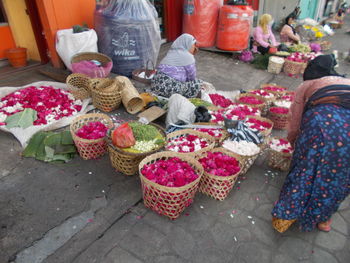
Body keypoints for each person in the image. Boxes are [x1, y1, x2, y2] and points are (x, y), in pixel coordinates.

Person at [272, 54, 350, 233]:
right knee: (342, 176)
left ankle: (287, 213)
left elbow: (296, 120)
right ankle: (324, 220)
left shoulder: (306, 85)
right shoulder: (344, 80)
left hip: (323, 124)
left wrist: (293, 143)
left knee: (306, 169)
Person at [150, 33, 202, 98]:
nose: (195, 47)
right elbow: (192, 77)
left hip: (155, 85)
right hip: (170, 89)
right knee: (197, 83)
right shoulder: (188, 57)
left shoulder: (171, 52)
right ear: (187, 44)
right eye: (193, 44)